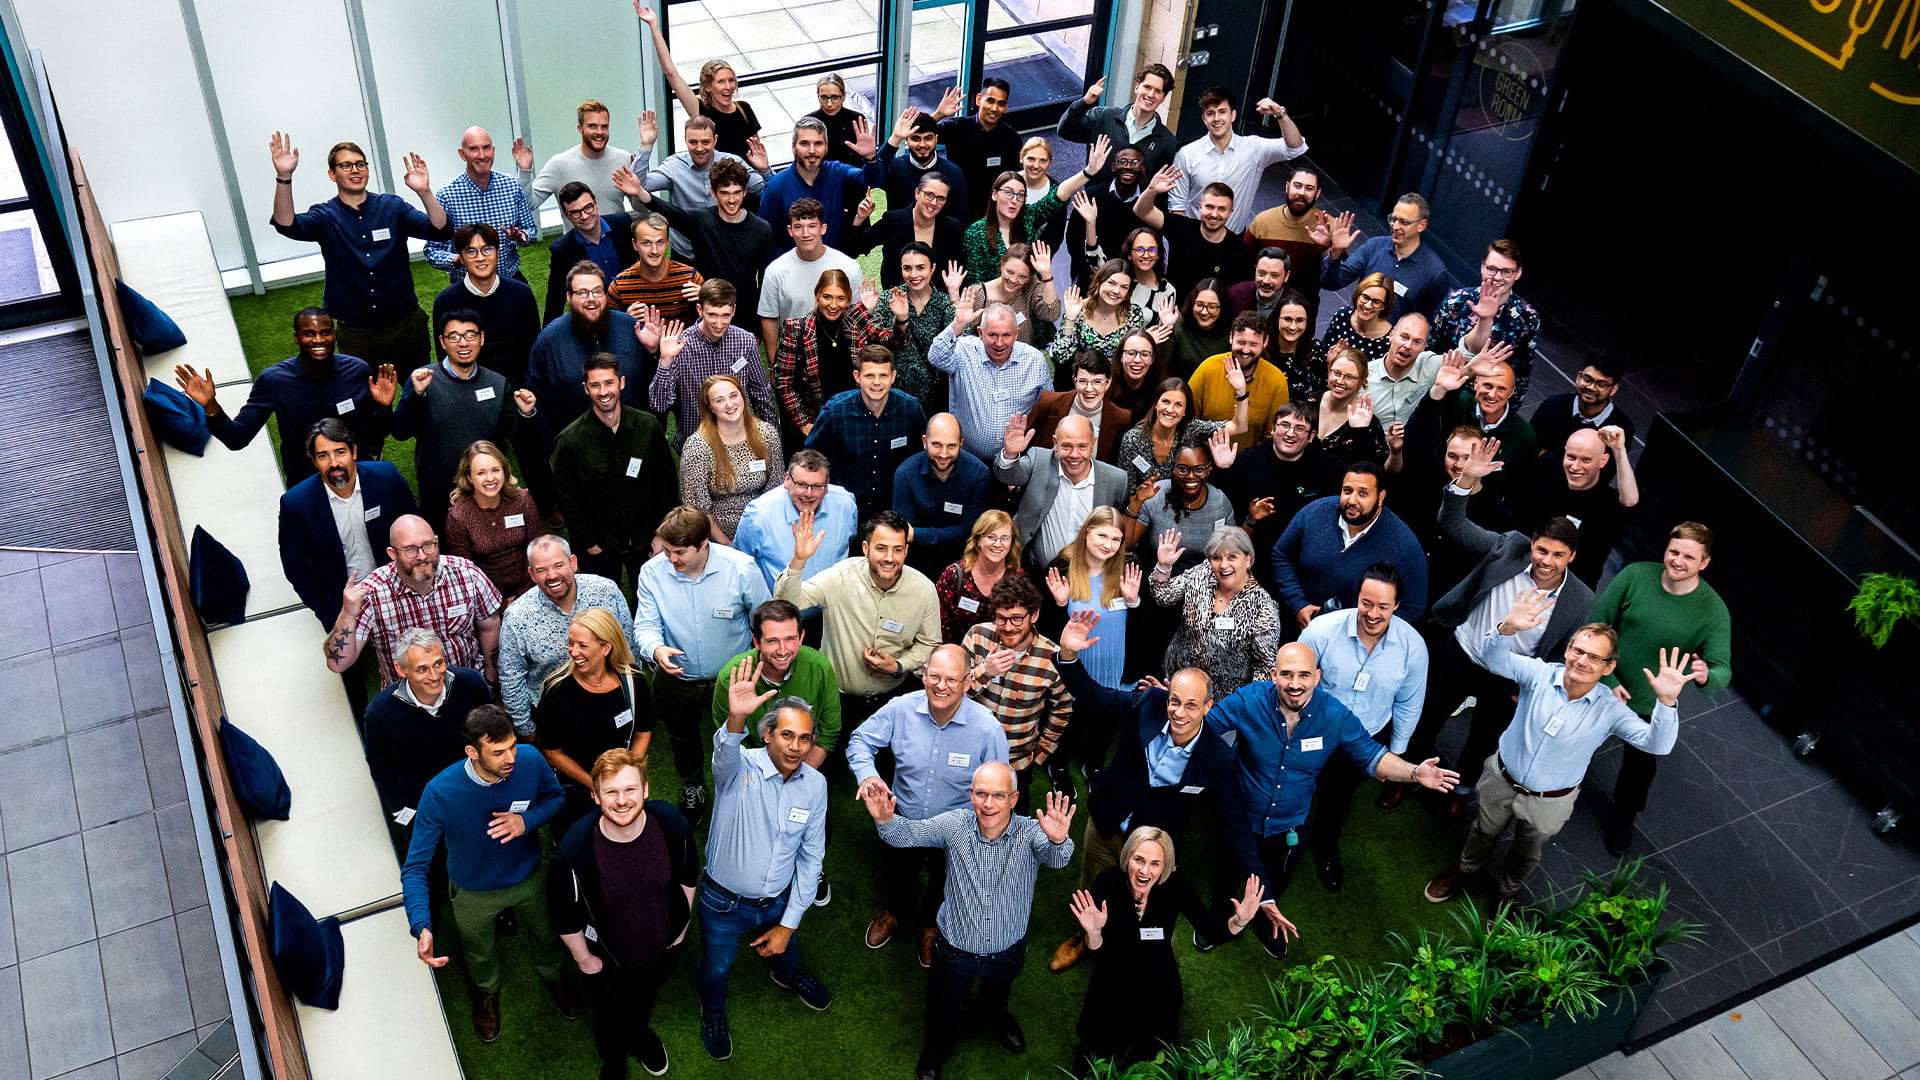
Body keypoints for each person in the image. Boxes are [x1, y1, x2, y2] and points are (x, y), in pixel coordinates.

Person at [1424, 598, 1689, 905]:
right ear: (1567, 651)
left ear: (1609, 667)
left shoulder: (1611, 709)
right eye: (1578, 651)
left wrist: (1667, 703)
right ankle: (1464, 871)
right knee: (1482, 831)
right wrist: (1506, 629)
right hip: (1501, 778)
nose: (1582, 661)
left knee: (1526, 853)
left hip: (1549, 801)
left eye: (1594, 657)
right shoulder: (1539, 674)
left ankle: (1506, 896)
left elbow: (1656, 744)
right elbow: (1495, 660)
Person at [1206, 642, 1459, 956]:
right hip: (1239, 818)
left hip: (1290, 824)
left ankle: (1265, 920)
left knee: (1277, 878)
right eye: (1286, 674)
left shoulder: (1334, 715)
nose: (1295, 684)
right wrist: (1175, 703)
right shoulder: (1248, 701)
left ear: (1317, 676)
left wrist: (1414, 773)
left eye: (1303, 675)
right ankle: (1218, 920)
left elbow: (1372, 755)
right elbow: (1204, 728)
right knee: (1226, 873)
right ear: (1273, 675)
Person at [1380, 462, 1593, 815]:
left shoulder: (1581, 600)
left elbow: (1565, 652)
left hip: (1507, 676)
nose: (1547, 561)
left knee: (1483, 740)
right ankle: (1410, 777)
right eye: (1542, 550)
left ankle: (1459, 794)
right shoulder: (1510, 546)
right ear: (1533, 544)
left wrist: (1527, 684)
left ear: (1572, 557)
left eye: (1558, 555)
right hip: (1462, 652)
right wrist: (1466, 481)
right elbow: (1454, 524)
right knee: (1428, 716)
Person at [1047, 612, 1236, 975]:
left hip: (1153, 842)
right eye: (1174, 701)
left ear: (1208, 707)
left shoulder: (1218, 757)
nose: (1178, 712)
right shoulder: (1147, 705)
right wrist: (1068, 655)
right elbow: (1093, 696)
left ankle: (1129, 943)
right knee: (1093, 882)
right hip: (1109, 817)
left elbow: (1230, 815)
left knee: (1144, 902)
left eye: (1191, 705)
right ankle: (1084, 936)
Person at [861, 765, 1075, 1080]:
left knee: (998, 992)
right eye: (982, 794)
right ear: (971, 794)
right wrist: (883, 818)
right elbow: (906, 834)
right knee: (942, 1006)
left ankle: (995, 1017)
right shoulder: (953, 825)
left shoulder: (1032, 833)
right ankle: (935, 1049)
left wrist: (1058, 840)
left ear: (1014, 798)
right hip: (956, 951)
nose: (989, 804)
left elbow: (1058, 858)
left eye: (998, 795)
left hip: (1009, 949)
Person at [403, 705, 576, 1042]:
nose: (510, 757)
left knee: (548, 931)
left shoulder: (529, 759)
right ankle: (487, 992)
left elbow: (556, 798)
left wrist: (527, 821)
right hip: (473, 890)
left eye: (511, 745)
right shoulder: (440, 793)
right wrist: (421, 924)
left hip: (529, 876)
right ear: (472, 752)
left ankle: (554, 975)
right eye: (497, 752)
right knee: (478, 950)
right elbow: (416, 866)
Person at [846, 644, 1010, 966]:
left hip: (957, 831)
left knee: (945, 879)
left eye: (951, 679)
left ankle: (931, 927)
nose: (941, 686)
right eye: (934, 676)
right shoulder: (900, 709)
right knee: (897, 871)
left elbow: (1000, 782)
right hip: (901, 818)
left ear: (966, 682)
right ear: (923, 675)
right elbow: (860, 740)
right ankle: (893, 913)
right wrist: (867, 776)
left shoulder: (987, 728)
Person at [699, 677, 833, 1060]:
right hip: (723, 903)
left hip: (778, 899)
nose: (796, 746)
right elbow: (722, 754)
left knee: (786, 948)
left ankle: (787, 973)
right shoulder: (738, 768)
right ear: (768, 733)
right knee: (716, 967)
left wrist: (788, 923)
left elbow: (810, 857)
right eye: (787, 735)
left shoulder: (816, 785)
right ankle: (713, 1010)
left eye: (804, 738)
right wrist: (736, 718)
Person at [547, 748, 698, 1080]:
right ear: (595, 797)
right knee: (608, 1013)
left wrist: (681, 929)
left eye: (630, 789)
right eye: (611, 792)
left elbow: (688, 875)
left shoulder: (671, 825)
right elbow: (563, 914)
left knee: (644, 1000)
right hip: (607, 958)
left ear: (645, 789)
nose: (621, 800)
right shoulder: (575, 850)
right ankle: (613, 1059)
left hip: (662, 948)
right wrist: (585, 960)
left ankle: (641, 1036)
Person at [1067, 828, 1265, 1068]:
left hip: (1158, 982)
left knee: (1148, 1061)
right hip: (1112, 977)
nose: (1144, 871)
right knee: (1093, 1057)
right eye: (1138, 860)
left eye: (1155, 864)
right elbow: (1098, 951)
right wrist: (1094, 932)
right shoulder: (1107, 883)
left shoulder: (1174, 888)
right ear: (1127, 857)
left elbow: (1210, 930)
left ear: (1165, 867)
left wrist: (1240, 920)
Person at [1595, 522, 1732, 856]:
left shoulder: (1713, 610)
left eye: (1689, 556)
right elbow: (1597, 622)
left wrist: (1704, 675)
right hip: (1602, 679)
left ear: (1704, 562)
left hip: (1650, 700)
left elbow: (1722, 670)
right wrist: (1607, 678)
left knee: (1639, 769)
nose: (1678, 561)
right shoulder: (1636, 575)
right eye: (1674, 552)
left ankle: (1624, 817)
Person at [268, 134, 449, 375]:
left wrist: (425, 192)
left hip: (406, 325)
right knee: (365, 401)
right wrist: (284, 177)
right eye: (345, 165)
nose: (355, 170)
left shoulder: (391, 207)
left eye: (360, 164)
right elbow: (286, 224)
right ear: (332, 174)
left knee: (420, 395)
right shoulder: (326, 216)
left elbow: (440, 230)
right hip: (357, 333)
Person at [1297, 565, 1428, 892]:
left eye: (1383, 606)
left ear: (1397, 606)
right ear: (1357, 598)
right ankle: (1282, 835)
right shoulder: (1321, 631)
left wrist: (1395, 756)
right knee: (1293, 783)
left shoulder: (1413, 648)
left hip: (1363, 739)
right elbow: (1293, 680)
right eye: (1366, 603)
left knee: (1337, 799)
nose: (1372, 613)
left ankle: (1325, 847)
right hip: (1311, 730)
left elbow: (1409, 703)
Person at [634, 506, 770, 820]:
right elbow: (645, 625)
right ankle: (693, 784)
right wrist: (656, 650)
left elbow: (763, 620)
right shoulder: (652, 573)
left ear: (703, 544)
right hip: (676, 678)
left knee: (743, 736)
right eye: (666, 551)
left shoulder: (742, 568)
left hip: (734, 679)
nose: (670, 559)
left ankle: (747, 788)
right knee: (682, 737)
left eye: (679, 552)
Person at [174, 308, 395, 484]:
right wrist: (211, 405)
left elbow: (377, 431)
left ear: (334, 335)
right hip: (307, 478)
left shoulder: (357, 370)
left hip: (358, 469)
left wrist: (384, 407)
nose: (319, 340)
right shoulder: (274, 381)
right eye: (309, 334)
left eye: (325, 332)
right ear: (296, 338)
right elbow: (237, 438)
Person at [776, 509, 942, 732]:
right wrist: (799, 559)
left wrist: (898, 665)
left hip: (892, 697)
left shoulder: (924, 590)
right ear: (866, 549)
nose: (889, 558)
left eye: (897, 549)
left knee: (891, 765)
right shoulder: (841, 576)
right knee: (823, 762)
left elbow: (930, 645)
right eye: (881, 548)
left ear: (906, 551)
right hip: (835, 696)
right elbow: (788, 602)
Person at [390, 310, 539, 530]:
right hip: (439, 492)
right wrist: (417, 395)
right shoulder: (423, 379)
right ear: (442, 341)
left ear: (482, 338)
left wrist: (526, 414)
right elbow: (401, 432)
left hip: (488, 490)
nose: (463, 343)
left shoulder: (498, 383)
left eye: (470, 335)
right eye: (454, 336)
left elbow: (518, 438)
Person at [323, 513, 503, 688]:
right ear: (392, 553)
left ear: (436, 543)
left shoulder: (466, 574)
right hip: (408, 702)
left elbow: (490, 624)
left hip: (464, 686)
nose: (422, 556)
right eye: (410, 549)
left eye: (427, 545)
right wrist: (347, 614)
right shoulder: (372, 594)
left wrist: (490, 675)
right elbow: (338, 664)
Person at [549, 354, 677, 596]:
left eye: (609, 383)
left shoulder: (648, 427)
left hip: (649, 541)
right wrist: (590, 544)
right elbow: (567, 499)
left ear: (622, 383)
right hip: (599, 547)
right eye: (595, 385)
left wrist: (663, 535)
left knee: (655, 603)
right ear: (585, 389)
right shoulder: (570, 440)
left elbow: (668, 487)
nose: (603, 391)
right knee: (602, 614)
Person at [277, 418, 418, 634]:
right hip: (340, 601)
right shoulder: (296, 504)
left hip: (394, 586)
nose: (334, 463)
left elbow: (415, 526)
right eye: (323, 455)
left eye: (340, 452)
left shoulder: (386, 478)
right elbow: (294, 566)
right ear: (314, 461)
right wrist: (325, 610)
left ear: (353, 451)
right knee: (349, 661)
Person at [362, 629, 492, 838]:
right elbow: (380, 766)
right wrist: (402, 810)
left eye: (438, 664)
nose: (434, 676)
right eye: (422, 669)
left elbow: (491, 731)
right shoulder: (380, 712)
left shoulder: (470, 684)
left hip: (474, 784)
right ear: (401, 670)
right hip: (422, 798)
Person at [497, 536, 634, 734]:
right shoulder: (518, 616)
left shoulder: (606, 592)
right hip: (554, 716)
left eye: (558, 565)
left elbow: (628, 648)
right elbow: (511, 676)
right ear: (532, 574)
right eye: (541, 570)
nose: (551, 575)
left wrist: (631, 696)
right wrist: (526, 729)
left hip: (610, 701)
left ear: (573, 563)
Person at [534, 608, 654, 828]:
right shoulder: (557, 692)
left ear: (606, 648)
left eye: (583, 645)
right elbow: (552, 753)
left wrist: (626, 776)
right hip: (577, 787)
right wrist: (596, 785)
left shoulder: (632, 681)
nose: (573, 651)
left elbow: (642, 732)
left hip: (619, 783)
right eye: (571, 643)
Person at [616, 158, 776, 322]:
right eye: (724, 193)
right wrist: (641, 192)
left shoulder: (761, 229)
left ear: (744, 192)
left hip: (743, 312)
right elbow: (671, 213)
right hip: (706, 310)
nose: (731, 200)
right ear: (713, 192)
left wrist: (758, 323)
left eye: (736, 192)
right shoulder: (702, 220)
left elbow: (766, 280)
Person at [1270, 463, 1430, 625]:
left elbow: (1413, 608)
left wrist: (1364, 629)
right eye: (1347, 491)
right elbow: (1281, 555)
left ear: (1380, 497)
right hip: (1299, 624)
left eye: (1363, 493)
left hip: (1358, 641)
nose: (1352, 500)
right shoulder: (1315, 512)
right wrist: (1298, 603)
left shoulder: (1403, 543)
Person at [959, 574, 1073, 803]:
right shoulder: (977, 636)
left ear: (1034, 615)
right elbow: (953, 694)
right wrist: (985, 672)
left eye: (1016, 619)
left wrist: (1041, 754)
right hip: (968, 754)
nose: (1008, 627)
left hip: (1018, 762)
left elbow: (1063, 708)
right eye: (1001, 618)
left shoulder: (1052, 656)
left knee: (1013, 826)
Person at [526, 263, 655, 444]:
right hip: (578, 446)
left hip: (633, 438)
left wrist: (654, 351)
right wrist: (554, 446)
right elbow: (536, 399)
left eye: (597, 291)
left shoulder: (629, 327)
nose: (591, 299)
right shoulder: (549, 340)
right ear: (569, 297)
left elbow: (653, 385)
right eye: (583, 293)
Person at [1214, 404, 1338, 591]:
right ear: (1273, 429)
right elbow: (1219, 508)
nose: (1290, 433)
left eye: (1299, 428)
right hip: (1254, 565)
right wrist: (1222, 470)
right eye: (1284, 425)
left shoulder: (1325, 466)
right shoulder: (1248, 460)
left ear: (1311, 436)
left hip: (1302, 568)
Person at [1148, 526, 1282, 696]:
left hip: (1223, 703)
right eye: (1216, 558)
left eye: (1232, 557)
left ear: (1247, 560)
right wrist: (1164, 566)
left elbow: (1264, 669)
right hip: (1177, 685)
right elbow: (1163, 596)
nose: (1223, 565)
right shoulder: (1203, 574)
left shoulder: (1262, 607)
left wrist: (1244, 709)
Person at [710, 599, 844, 765]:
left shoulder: (819, 667)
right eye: (772, 641)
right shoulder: (731, 678)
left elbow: (829, 731)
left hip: (806, 763)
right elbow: (731, 745)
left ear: (801, 637)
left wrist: (798, 777)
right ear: (757, 642)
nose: (782, 650)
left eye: (790, 639)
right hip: (752, 766)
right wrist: (737, 716)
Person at [650, 279, 778, 449]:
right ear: (699, 310)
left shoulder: (745, 341)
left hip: (741, 439)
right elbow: (659, 404)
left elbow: (761, 393)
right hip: (698, 443)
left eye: (725, 315)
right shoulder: (680, 346)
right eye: (712, 315)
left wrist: (771, 438)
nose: (719, 324)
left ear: (733, 310)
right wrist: (665, 361)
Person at [805, 346, 928, 518]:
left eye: (883, 375)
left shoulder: (910, 410)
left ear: (893, 377)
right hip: (845, 502)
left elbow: (922, 457)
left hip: (894, 502)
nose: (876, 382)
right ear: (857, 376)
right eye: (870, 375)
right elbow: (811, 456)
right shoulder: (835, 412)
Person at [960, 138, 1103, 286]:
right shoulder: (975, 232)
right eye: (1009, 193)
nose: (1014, 200)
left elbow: (1059, 194)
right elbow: (975, 283)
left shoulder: (1027, 217)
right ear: (995, 194)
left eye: (1020, 195)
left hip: (1028, 294)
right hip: (991, 301)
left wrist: (1088, 172)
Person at [996, 413, 1130, 568]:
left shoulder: (1116, 480)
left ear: (1093, 444)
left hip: (1085, 577)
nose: (1074, 455)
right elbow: (1009, 476)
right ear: (1055, 442)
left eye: (1082, 446)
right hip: (1033, 572)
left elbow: (1119, 530)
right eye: (1066, 446)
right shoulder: (1039, 459)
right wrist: (1011, 454)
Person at [631, 108, 771, 256]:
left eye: (705, 142)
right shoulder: (674, 166)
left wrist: (765, 170)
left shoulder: (732, 163)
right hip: (686, 250)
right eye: (693, 142)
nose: (699, 148)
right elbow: (638, 186)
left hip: (722, 249)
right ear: (685, 140)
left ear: (715, 140)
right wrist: (646, 146)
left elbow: (765, 189)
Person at [774, 271, 894, 441]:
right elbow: (784, 382)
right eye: (827, 297)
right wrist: (804, 424)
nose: (833, 305)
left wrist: (902, 319)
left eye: (841, 298)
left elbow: (892, 340)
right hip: (815, 422)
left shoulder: (856, 323)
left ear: (848, 300)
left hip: (854, 419)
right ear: (817, 296)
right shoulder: (796, 329)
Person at [1512, 426, 1640, 586]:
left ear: (1603, 460)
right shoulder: (1545, 478)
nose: (1575, 466)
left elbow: (1630, 501)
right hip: (1523, 573)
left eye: (1586, 460)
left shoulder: (1607, 503)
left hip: (1570, 588)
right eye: (1571, 457)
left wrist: (1619, 451)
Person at [1169, 89, 1307, 233]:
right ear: (1204, 119)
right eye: (1210, 113)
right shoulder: (1187, 155)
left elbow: (1295, 148)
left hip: (1234, 239)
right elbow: (1177, 206)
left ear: (1233, 115)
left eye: (1222, 112)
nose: (1216, 118)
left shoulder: (1253, 149)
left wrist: (1280, 113)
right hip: (1196, 238)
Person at [926, 301, 1051, 460]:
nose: (999, 343)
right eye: (992, 335)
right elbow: (936, 356)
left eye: (1006, 335)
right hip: (968, 459)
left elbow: (1047, 406)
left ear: (1017, 333)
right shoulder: (964, 351)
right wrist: (958, 324)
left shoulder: (1034, 360)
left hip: (1016, 460)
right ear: (980, 332)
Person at [1407, 353, 1537, 503]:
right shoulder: (1458, 402)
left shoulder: (1524, 435)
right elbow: (1421, 432)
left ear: (1512, 392)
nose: (1492, 394)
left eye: (1501, 388)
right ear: (1476, 383)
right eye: (1487, 385)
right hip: (1431, 491)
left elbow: (1519, 486)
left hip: (1480, 507)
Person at [636, 4, 761, 158]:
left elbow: (757, 151)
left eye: (731, 80)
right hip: (719, 180)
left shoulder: (744, 109)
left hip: (747, 179)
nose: (728, 87)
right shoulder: (702, 111)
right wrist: (654, 26)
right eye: (721, 82)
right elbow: (671, 73)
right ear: (708, 86)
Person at [733, 449, 860, 598]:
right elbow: (741, 565)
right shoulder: (758, 516)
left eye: (818, 486)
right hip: (783, 614)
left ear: (827, 485)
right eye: (801, 484)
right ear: (787, 480)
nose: (809, 493)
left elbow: (849, 540)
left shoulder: (845, 504)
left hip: (832, 611)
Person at [679, 372, 785, 543]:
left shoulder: (766, 435)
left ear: (742, 396)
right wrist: (728, 545)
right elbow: (698, 509)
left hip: (765, 527)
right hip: (720, 534)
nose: (729, 404)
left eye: (733, 396)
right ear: (710, 407)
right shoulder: (697, 447)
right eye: (719, 400)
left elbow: (776, 489)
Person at [1040, 508, 1141, 685]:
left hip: (1119, 678)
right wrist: (1060, 604)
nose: (1108, 545)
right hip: (1072, 676)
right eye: (1102, 536)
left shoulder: (1128, 567)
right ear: (1086, 532)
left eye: (1116, 539)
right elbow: (1044, 630)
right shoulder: (1061, 568)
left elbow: (1146, 629)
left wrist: (1134, 602)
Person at [758, 116, 886, 255]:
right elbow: (767, 240)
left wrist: (870, 158)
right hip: (793, 271)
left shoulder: (838, 172)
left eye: (818, 143)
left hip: (833, 269)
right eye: (805, 144)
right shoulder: (775, 188)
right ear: (794, 147)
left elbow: (871, 180)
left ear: (826, 147)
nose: (812, 150)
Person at [425, 127, 538, 284]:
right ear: (462, 154)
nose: (482, 155)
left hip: (509, 281)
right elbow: (433, 251)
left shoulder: (511, 185)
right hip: (467, 286)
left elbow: (530, 229)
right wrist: (460, 259)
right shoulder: (447, 196)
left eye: (486, 148)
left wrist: (522, 236)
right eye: (473, 149)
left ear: (493, 151)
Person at [757, 199, 866, 361]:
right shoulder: (776, 271)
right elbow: (769, 318)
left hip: (839, 355)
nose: (805, 233)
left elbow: (858, 317)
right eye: (798, 227)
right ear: (790, 230)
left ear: (823, 228)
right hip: (795, 357)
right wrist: (774, 365)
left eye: (812, 226)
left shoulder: (848, 268)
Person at [434, 224, 543, 385]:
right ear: (461, 258)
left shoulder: (521, 293)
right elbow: (445, 358)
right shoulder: (446, 302)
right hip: (470, 387)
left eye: (487, 249)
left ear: (497, 253)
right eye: (471, 252)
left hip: (519, 386)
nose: (480, 258)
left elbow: (534, 349)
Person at [1431, 240, 1542, 397]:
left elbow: (1520, 376)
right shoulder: (1455, 302)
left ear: (1518, 273)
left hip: (1484, 401)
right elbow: (1430, 348)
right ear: (1482, 267)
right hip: (1440, 389)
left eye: (1506, 271)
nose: (1497, 277)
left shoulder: (1527, 318)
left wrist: (1502, 417)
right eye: (1492, 269)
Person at [443, 441, 547, 603]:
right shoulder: (459, 517)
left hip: (530, 586)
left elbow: (536, 549)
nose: (490, 478)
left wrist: (522, 595)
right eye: (481, 473)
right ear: (469, 477)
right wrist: (498, 604)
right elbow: (465, 572)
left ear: (504, 471)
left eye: (495, 470)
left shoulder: (522, 500)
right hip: (486, 597)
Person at [1321, 192, 1449, 321]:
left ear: (1421, 225)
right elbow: (1331, 283)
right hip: (1359, 330)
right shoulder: (1374, 246)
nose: (1395, 226)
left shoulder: (1435, 273)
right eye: (1393, 219)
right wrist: (1335, 255)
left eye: (1404, 222)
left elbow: (1429, 322)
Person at [894, 413, 991, 577]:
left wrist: (918, 534)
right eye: (937, 445)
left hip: (963, 564)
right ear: (924, 442)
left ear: (961, 444)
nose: (943, 454)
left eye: (951, 446)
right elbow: (904, 533)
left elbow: (972, 532)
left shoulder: (978, 473)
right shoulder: (905, 474)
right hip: (916, 564)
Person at [1132, 171, 1254, 295]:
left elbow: (1240, 292)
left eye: (1222, 209)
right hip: (1173, 308)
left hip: (1211, 312)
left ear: (1230, 212)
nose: (1214, 214)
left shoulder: (1239, 250)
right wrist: (1152, 190)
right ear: (1200, 207)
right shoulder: (1181, 227)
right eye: (1210, 207)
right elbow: (1143, 211)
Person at [1055, 66, 1178, 185]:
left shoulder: (1166, 141)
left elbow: (1159, 186)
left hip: (1134, 205)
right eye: (1147, 87)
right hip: (1093, 202)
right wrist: (1084, 102)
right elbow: (1065, 130)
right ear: (1137, 88)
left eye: (1158, 91)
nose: (1151, 94)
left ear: (1163, 98)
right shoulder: (1103, 117)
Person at [1114, 378, 1238, 494]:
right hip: (1143, 508)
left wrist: (1241, 393)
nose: (1170, 409)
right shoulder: (1132, 439)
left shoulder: (1192, 429)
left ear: (1185, 411)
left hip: (1184, 504)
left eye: (1178, 405)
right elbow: (1126, 490)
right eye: (1165, 401)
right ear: (1156, 403)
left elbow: (1238, 426)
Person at [848, 167, 964, 289]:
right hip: (897, 297)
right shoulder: (893, 221)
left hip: (937, 300)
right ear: (917, 193)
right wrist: (859, 218)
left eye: (941, 198)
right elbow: (856, 248)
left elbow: (957, 270)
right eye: (929, 195)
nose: (934, 203)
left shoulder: (952, 227)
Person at [1046, 260, 1161, 381]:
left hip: (1115, 380)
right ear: (1099, 282)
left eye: (1124, 287)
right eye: (1111, 283)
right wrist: (1070, 318)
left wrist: (1144, 343)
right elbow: (1061, 356)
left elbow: (1130, 356)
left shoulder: (1134, 313)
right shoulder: (1078, 309)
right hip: (1081, 380)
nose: (1116, 291)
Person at [1244, 166, 1332, 324]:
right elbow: (1244, 265)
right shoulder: (1263, 221)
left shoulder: (1328, 225)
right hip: (1261, 305)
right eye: (1297, 186)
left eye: (1309, 188)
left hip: (1301, 312)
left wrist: (1327, 249)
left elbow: (1334, 279)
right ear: (1287, 186)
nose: (1301, 193)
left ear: (1317, 193)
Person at [543, 181, 638, 324]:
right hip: (597, 319)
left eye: (588, 207)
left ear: (596, 202)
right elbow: (555, 300)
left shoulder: (623, 223)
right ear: (566, 215)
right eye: (575, 212)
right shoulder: (562, 250)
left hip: (636, 308)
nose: (584, 216)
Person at [1124, 442, 1238, 561]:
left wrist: (1250, 520)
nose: (1190, 476)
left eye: (1199, 469)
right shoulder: (1156, 495)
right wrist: (1136, 503)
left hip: (1203, 577)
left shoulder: (1219, 501)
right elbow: (1126, 545)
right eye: (1182, 469)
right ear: (1173, 468)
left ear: (1208, 469)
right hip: (1154, 575)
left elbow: (1233, 548)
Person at [932, 78, 1026, 221]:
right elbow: (917, 132)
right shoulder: (957, 127)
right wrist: (939, 113)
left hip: (992, 213)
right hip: (955, 208)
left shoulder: (1011, 138)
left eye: (1001, 104)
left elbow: (1016, 177)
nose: (994, 108)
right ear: (978, 99)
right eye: (990, 101)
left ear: (1006, 107)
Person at [1067, 149, 1166, 285]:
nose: (1128, 166)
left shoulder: (1151, 201)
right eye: (1122, 162)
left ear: (1143, 168)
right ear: (1114, 167)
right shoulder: (1091, 196)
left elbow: (1155, 241)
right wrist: (1089, 273)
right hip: (1092, 275)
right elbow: (1074, 240)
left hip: (1135, 277)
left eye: (1135, 163)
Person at [1189, 311, 1286, 450]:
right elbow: (1188, 419)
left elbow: (1273, 434)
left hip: (1248, 461)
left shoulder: (1276, 380)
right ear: (1231, 338)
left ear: (1265, 342)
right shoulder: (1208, 368)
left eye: (1253, 344)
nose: (1246, 350)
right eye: (1241, 342)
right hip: (1204, 457)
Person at [881, 242, 959, 407]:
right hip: (894, 392)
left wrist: (954, 295)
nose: (913, 274)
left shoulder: (944, 303)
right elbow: (879, 343)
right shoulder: (889, 298)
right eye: (907, 268)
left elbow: (958, 341)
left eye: (920, 267)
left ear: (932, 268)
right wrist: (901, 320)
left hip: (934, 395)